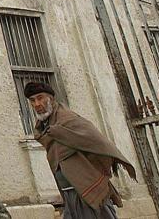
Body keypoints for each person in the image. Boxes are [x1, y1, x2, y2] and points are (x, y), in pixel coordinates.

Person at [24, 82, 136, 219]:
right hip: (69, 195)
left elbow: (98, 142)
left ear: (51, 98)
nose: (37, 104)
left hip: (89, 193)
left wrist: (99, 172)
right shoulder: (44, 128)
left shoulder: (68, 120)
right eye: (32, 100)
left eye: (40, 98)